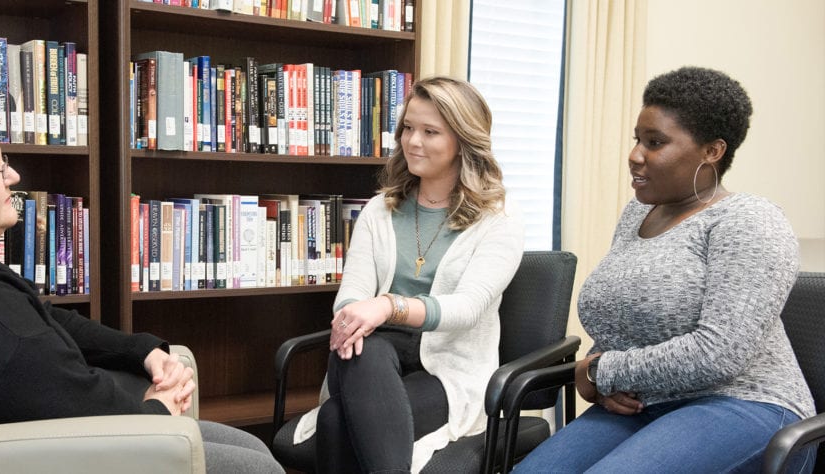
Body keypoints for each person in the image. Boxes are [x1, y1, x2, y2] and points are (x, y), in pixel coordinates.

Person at [0, 91, 283, 473]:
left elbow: (39, 320)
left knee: (249, 449)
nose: (14, 176)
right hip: (19, 455)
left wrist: (140, 349)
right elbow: (64, 391)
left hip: (17, 440)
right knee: (253, 466)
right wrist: (156, 409)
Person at [515, 67, 816, 473]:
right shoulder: (639, 212)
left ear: (712, 151)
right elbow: (621, 317)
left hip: (742, 402)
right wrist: (598, 365)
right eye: (638, 139)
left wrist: (601, 370)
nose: (635, 154)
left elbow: (718, 354)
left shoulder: (750, 221)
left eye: (655, 142)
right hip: (644, 403)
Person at [288, 76, 525, 473]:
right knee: (367, 347)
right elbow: (352, 295)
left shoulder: (497, 221)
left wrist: (387, 307)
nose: (412, 142)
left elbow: (466, 308)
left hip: (447, 371)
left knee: (334, 420)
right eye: (408, 128)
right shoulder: (380, 210)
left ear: (463, 140)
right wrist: (357, 316)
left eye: (430, 132)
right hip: (366, 357)